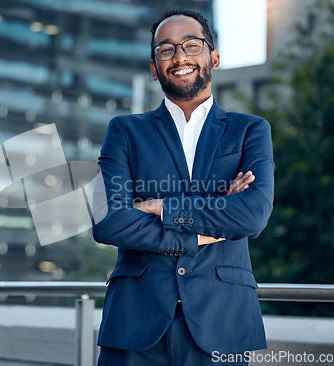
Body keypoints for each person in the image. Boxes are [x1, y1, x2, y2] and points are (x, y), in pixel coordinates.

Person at [92, 9, 274, 366]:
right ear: (153, 67)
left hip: (222, 321)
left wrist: (160, 206)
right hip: (134, 323)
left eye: (192, 45)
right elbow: (108, 222)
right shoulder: (125, 131)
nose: (179, 57)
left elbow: (252, 215)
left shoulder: (250, 130)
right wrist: (211, 222)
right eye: (166, 49)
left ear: (214, 57)